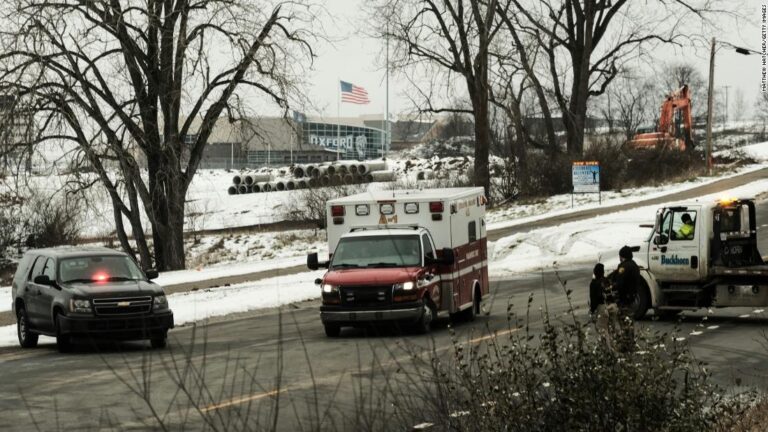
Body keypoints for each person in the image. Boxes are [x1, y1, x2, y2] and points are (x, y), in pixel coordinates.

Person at [613, 245, 641, 351]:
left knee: (624, 322)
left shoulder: (624, 267)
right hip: (633, 298)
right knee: (629, 322)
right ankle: (630, 343)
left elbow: (620, 283)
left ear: (622, 256)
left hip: (625, 299)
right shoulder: (634, 265)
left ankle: (626, 345)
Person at [589, 263, 619, 349]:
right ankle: (615, 347)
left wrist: (592, 310)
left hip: (602, 307)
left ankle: (607, 351)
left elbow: (594, 299)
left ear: (595, 272)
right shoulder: (607, 280)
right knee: (611, 329)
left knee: (603, 330)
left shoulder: (594, 283)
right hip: (613, 306)